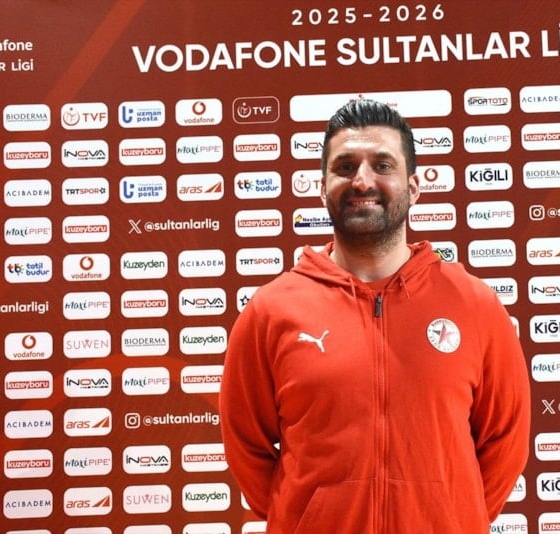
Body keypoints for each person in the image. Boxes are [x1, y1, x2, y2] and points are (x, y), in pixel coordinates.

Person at [219, 99, 530, 533]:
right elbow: (245, 443)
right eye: (345, 167)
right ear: (322, 186)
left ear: (414, 187)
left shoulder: (473, 304)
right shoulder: (272, 310)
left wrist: (453, 518)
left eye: (382, 165)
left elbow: (505, 442)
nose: (362, 180)